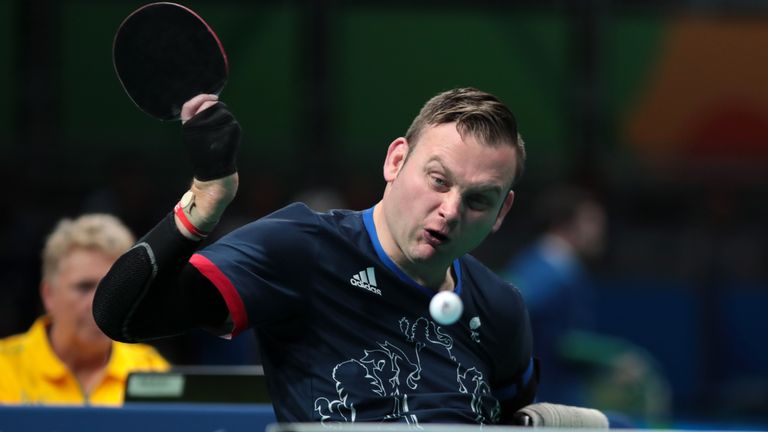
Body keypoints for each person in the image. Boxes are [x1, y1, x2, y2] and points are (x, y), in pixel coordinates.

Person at [93, 88, 538, 424]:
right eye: (439, 180)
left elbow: (513, 422)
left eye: (479, 200)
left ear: (502, 212)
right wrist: (204, 202)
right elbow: (124, 315)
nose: (451, 210)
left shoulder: (500, 307)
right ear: (396, 161)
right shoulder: (304, 249)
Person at [500, 187, 670, 423]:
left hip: (558, 399)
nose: (601, 230)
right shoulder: (546, 272)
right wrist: (613, 357)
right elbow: (506, 312)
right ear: (564, 223)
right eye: (592, 221)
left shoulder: (563, 270)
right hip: (541, 407)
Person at [0, 214, 169, 406]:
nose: (99, 302)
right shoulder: (4, 368)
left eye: (112, 288)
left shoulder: (151, 371)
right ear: (49, 295)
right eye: (84, 287)